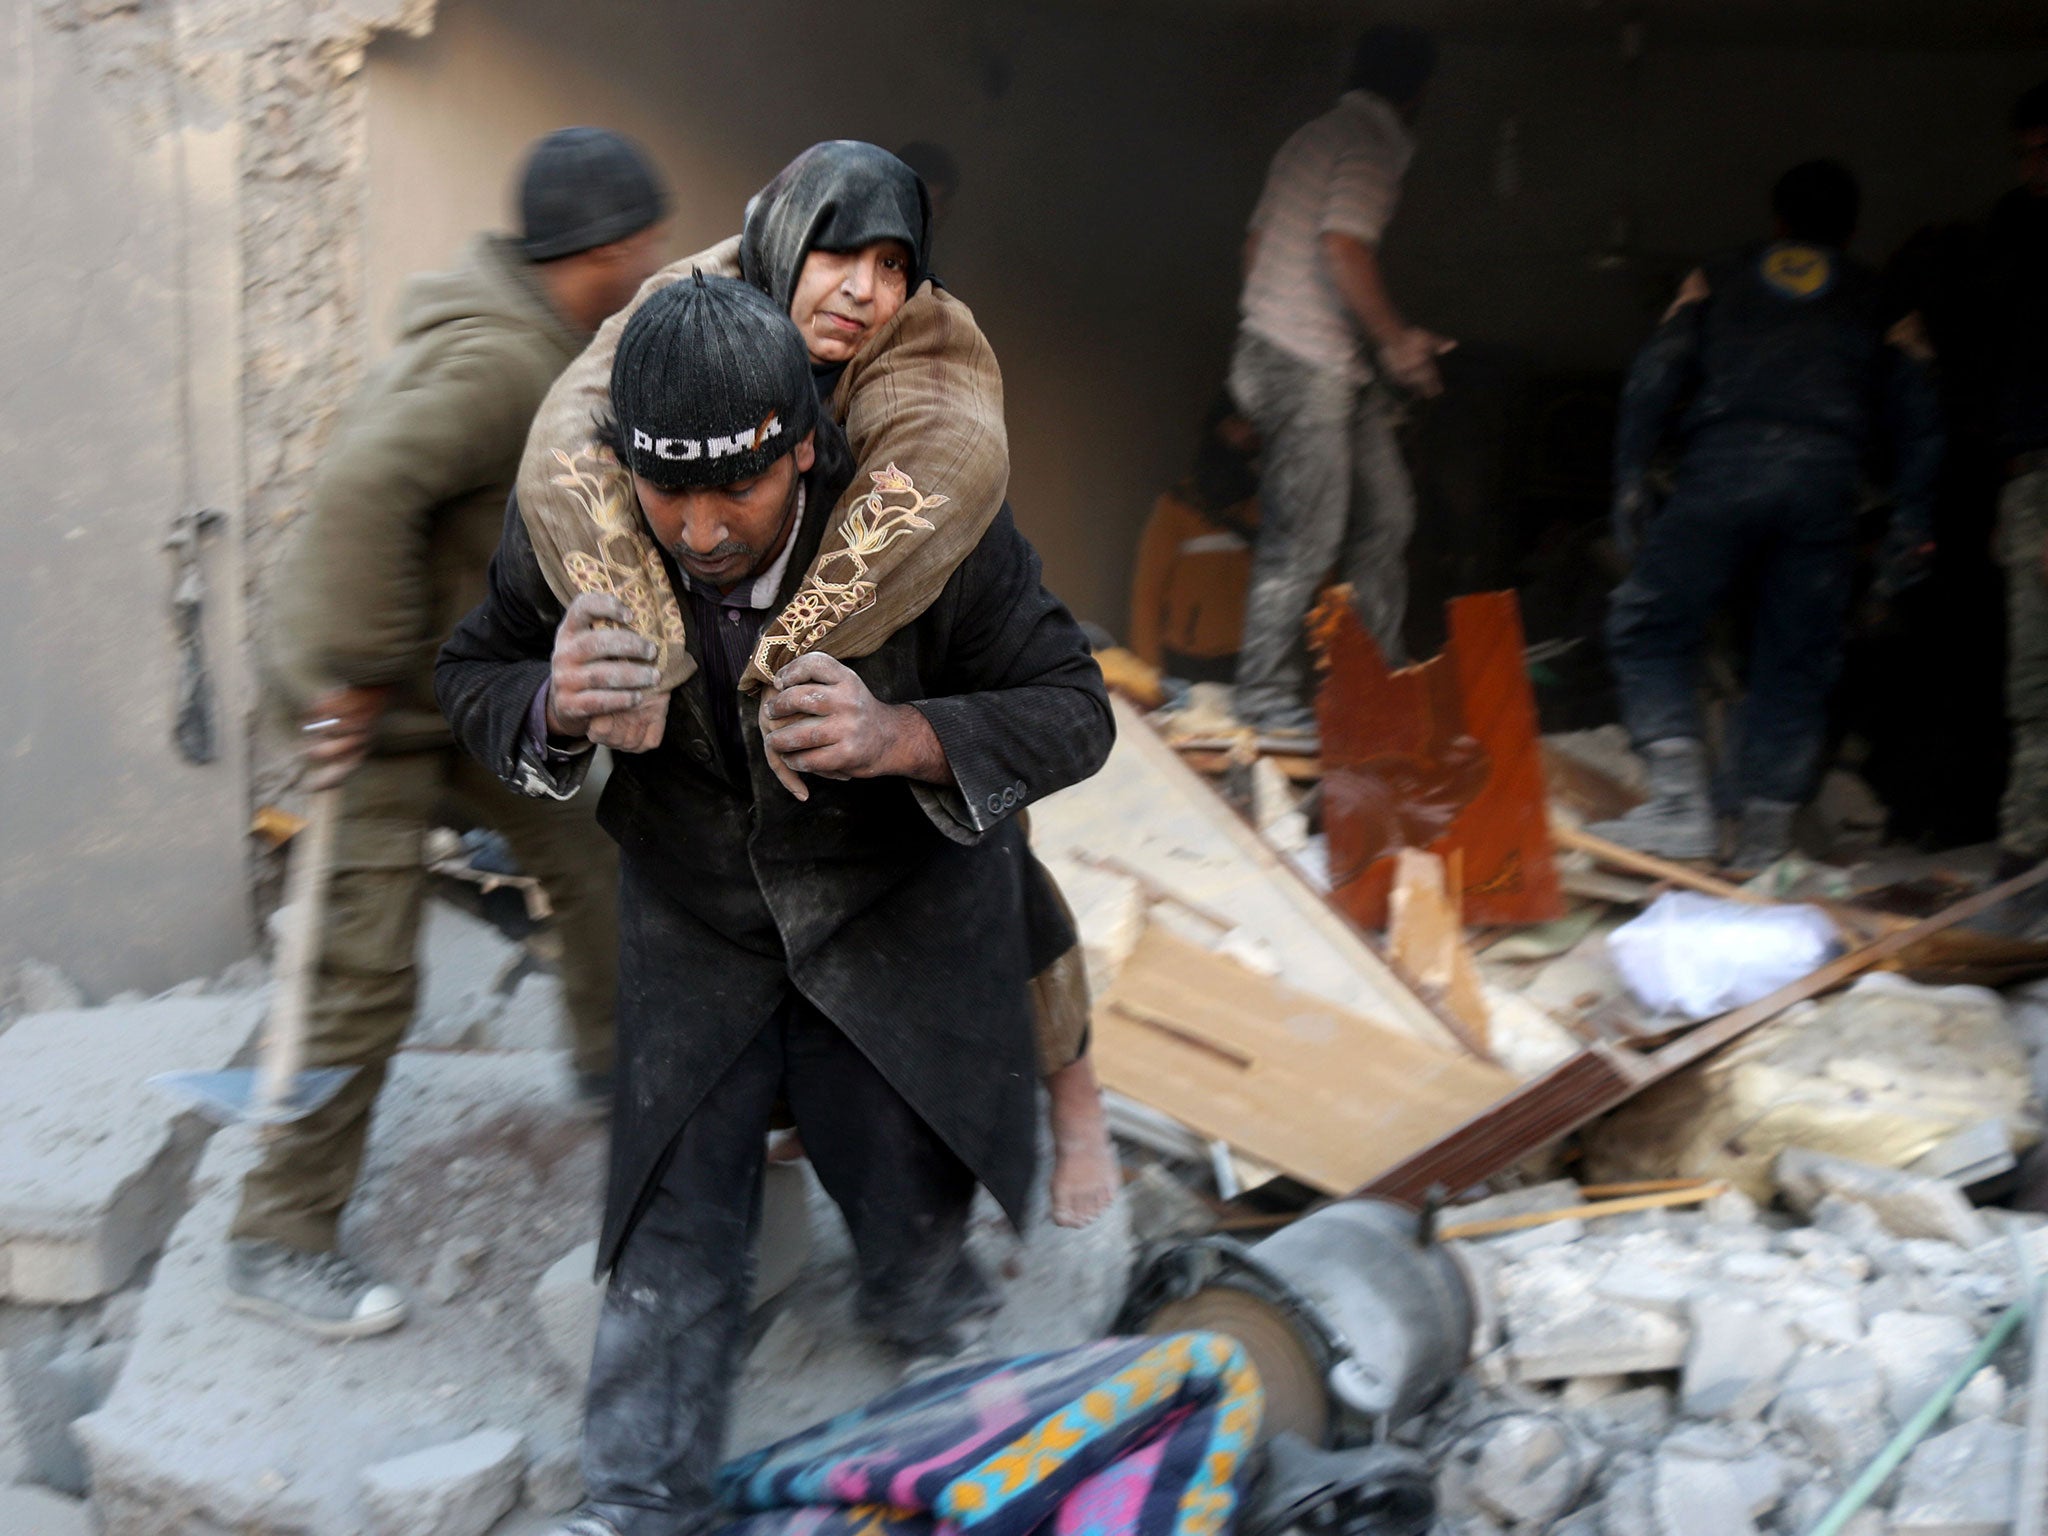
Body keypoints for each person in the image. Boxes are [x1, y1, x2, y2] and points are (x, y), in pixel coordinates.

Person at [437, 274, 1114, 1536]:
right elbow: (472, 668)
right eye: (664, 487)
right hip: (698, 925)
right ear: (620, 462)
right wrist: (551, 701)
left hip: (886, 921)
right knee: (674, 1222)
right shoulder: (578, 536)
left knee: (908, 1213)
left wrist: (899, 732)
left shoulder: (923, 533)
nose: (696, 530)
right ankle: (638, 1501)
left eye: (735, 486)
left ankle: (923, 1310)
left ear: (806, 446)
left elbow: (1075, 709)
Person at [516, 141, 1122, 1229]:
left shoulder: (926, 379)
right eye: (840, 254)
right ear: (781, 244)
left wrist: (899, 724)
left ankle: (1073, 1105)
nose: (864, 290)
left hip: (893, 648)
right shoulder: (692, 329)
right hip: (738, 683)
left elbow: (959, 517)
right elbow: (575, 439)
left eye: (893, 266)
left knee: (993, 868)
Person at [226, 127, 670, 1339]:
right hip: (372, 709)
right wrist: (353, 673)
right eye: (644, 239)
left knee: (592, 840)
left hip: (459, 693)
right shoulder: (495, 367)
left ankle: (609, 1069)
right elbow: (366, 487)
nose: (654, 257)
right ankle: (278, 1233)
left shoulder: (547, 343)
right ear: (607, 247)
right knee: (362, 979)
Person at [1591, 160, 1943, 869]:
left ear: (1777, 221)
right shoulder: (1881, 296)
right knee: (1798, 658)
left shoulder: (1717, 275)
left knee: (1652, 627)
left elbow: (1657, 373)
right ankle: (1763, 841)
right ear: (1851, 231)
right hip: (1825, 485)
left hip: (1723, 470)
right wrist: (1913, 518)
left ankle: (1682, 809)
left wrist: (1630, 476)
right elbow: (1922, 413)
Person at [1229, 24, 1451, 735]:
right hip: (1305, 364)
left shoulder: (1312, 137)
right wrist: (1397, 344)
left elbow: (1258, 245)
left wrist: (1274, 322)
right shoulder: (1373, 143)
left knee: (1387, 516)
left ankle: (1373, 685)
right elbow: (1342, 245)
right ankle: (1263, 696)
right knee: (1305, 539)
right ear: (1418, 93)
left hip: (1313, 359)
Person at [1988, 83, 2048, 907]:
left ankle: (2029, 862)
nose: (2034, 167)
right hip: (2026, 473)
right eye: (2026, 149)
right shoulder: (2015, 226)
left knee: (2039, 678)